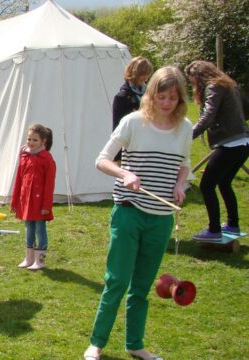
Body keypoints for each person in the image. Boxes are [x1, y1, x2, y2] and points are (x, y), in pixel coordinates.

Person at [83, 66, 192, 360]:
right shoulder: (132, 122)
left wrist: (181, 185)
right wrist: (125, 174)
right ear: (151, 95)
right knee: (116, 280)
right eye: (161, 96)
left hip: (161, 217)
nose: (166, 103)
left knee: (142, 286)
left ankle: (135, 344)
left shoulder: (186, 128)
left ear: (180, 98)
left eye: (172, 97)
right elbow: (102, 160)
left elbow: (184, 164)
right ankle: (96, 343)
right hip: (129, 212)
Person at [184, 60, 249, 241]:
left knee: (206, 185)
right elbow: (246, 109)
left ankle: (213, 230)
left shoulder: (213, 87)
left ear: (199, 76)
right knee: (224, 183)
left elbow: (208, 117)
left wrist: (186, 136)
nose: (193, 85)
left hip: (230, 144)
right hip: (243, 142)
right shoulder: (229, 84)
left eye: (193, 80)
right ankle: (233, 225)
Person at [10, 124, 56, 270]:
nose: (30, 142)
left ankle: (39, 260)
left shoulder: (47, 159)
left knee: (39, 228)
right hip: (26, 201)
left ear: (43, 141)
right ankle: (28, 258)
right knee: (29, 228)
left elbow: (49, 185)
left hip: (39, 202)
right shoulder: (24, 156)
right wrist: (15, 200)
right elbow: (19, 178)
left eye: (35, 140)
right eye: (29, 139)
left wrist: (46, 206)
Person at [112, 56, 153, 161]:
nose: (146, 77)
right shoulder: (122, 97)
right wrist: (118, 156)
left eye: (147, 74)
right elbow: (118, 128)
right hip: (129, 148)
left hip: (148, 144)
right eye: (143, 74)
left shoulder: (149, 93)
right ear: (135, 73)